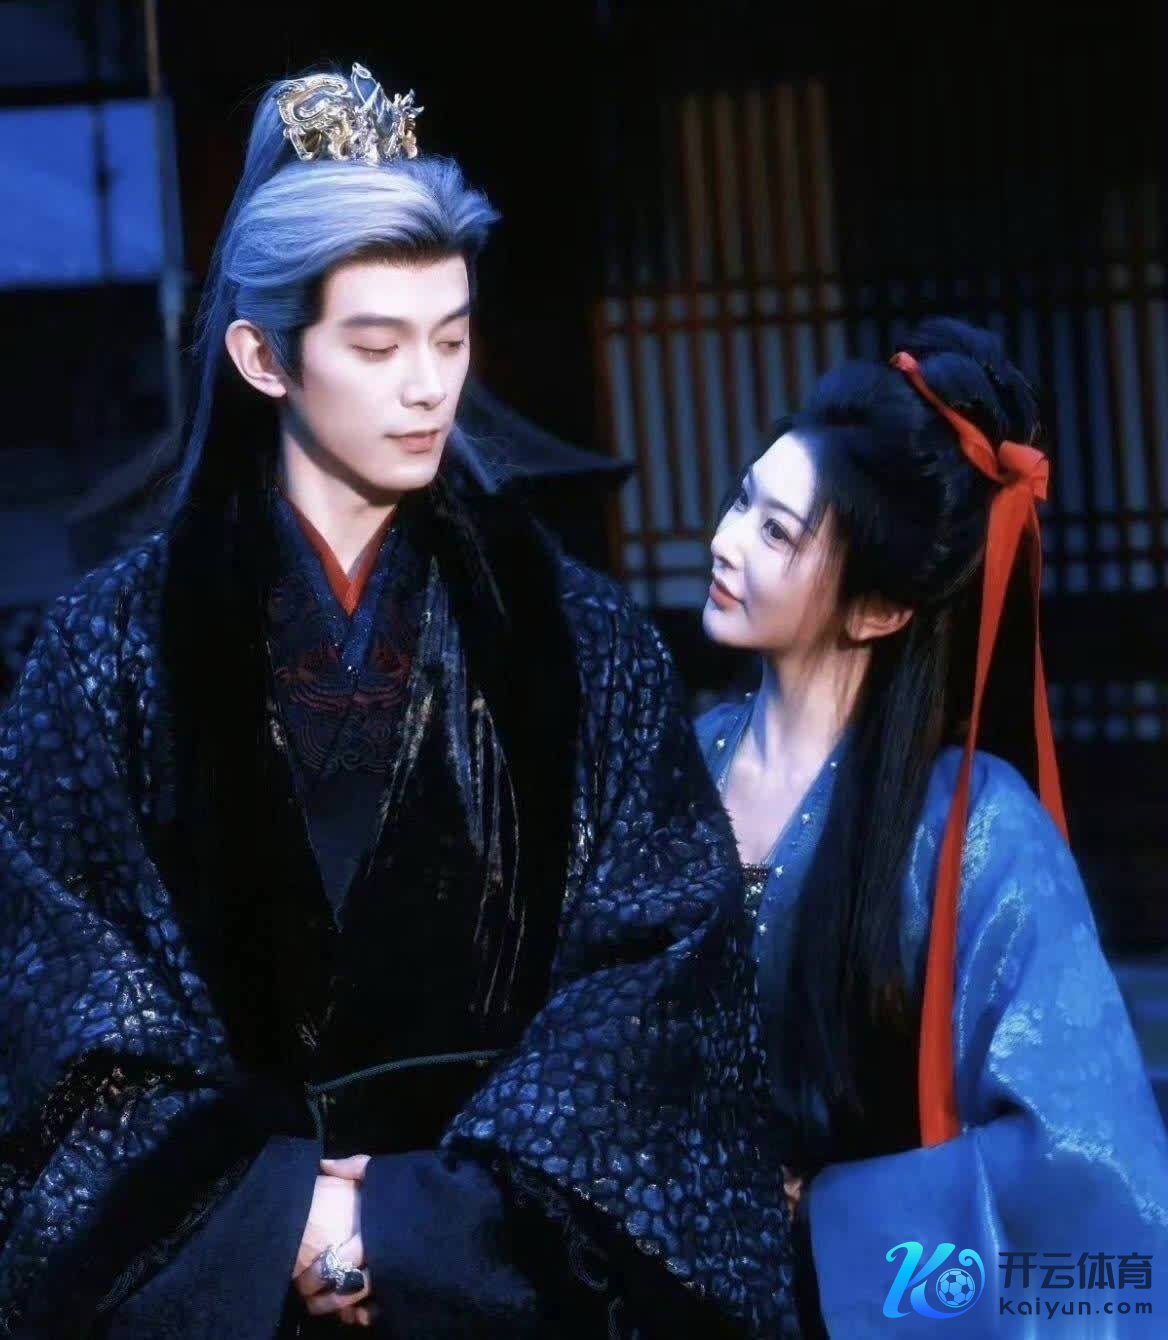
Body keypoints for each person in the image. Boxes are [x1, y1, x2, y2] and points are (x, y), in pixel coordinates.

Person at [0, 64, 799, 1337]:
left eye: (452, 335)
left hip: (504, 1284)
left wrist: (413, 1233)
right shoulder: (107, 655)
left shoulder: (582, 642)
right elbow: (66, 1002)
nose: (429, 385)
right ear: (264, 356)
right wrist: (285, 1220)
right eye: (376, 346)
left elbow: (655, 983)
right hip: (231, 1289)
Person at [696, 318, 1168, 1336]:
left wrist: (833, 1216)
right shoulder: (675, 765)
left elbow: (1094, 1172)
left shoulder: (972, 830)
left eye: (776, 532)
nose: (724, 542)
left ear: (879, 610)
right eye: (741, 500)